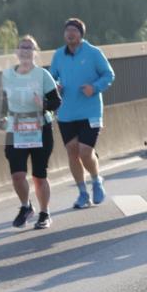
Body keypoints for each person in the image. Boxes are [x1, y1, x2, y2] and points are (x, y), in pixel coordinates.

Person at [0, 35, 62, 229]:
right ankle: (26, 207)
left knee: (39, 176)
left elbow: (56, 102)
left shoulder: (42, 75)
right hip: (16, 129)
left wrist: (43, 105)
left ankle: (45, 213)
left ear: (35, 53)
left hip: (40, 129)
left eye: (29, 48)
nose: (25, 51)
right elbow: (5, 101)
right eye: (22, 47)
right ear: (17, 52)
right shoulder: (8, 75)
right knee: (17, 175)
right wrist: (2, 117)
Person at [49, 18, 115, 209]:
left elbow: (108, 74)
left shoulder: (93, 53)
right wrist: (56, 86)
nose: (70, 34)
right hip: (66, 113)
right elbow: (51, 78)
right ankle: (82, 193)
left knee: (85, 152)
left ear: (81, 34)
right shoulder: (58, 55)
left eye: (74, 30)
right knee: (72, 152)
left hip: (90, 111)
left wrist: (94, 87)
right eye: (67, 30)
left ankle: (96, 180)